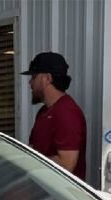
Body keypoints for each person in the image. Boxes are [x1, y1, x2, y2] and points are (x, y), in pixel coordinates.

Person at [22, 52, 87, 180]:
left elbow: (67, 163)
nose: (30, 83)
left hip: (61, 197)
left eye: (34, 77)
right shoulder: (43, 112)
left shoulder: (67, 113)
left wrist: (30, 164)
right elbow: (32, 150)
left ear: (47, 78)